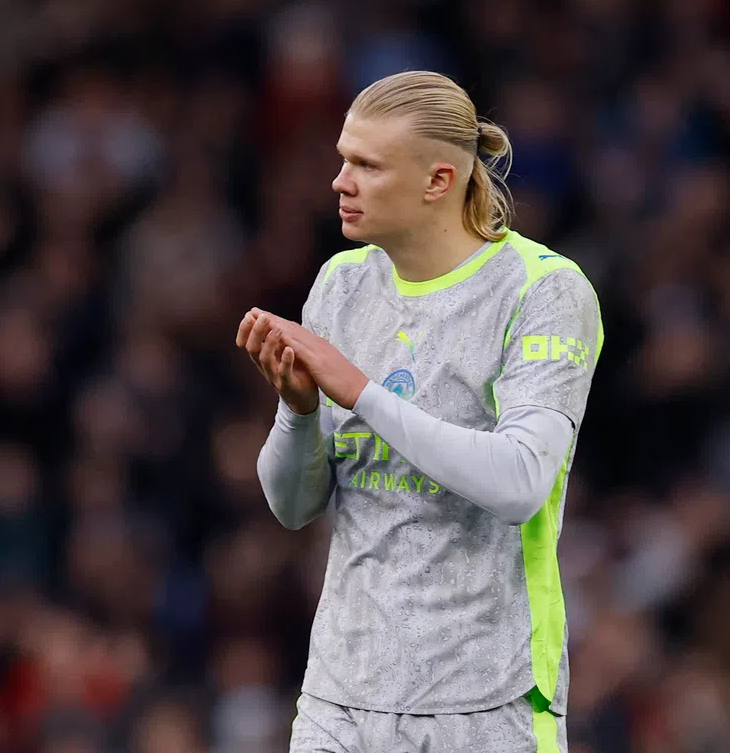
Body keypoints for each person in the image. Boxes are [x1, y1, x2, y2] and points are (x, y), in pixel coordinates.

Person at [235, 71, 603, 752]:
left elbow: (520, 483)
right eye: (344, 159)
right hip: (341, 698)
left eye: (367, 166)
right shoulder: (341, 284)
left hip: (487, 701)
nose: (340, 182)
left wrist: (362, 394)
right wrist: (299, 412)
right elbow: (293, 507)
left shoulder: (542, 291)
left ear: (438, 180)